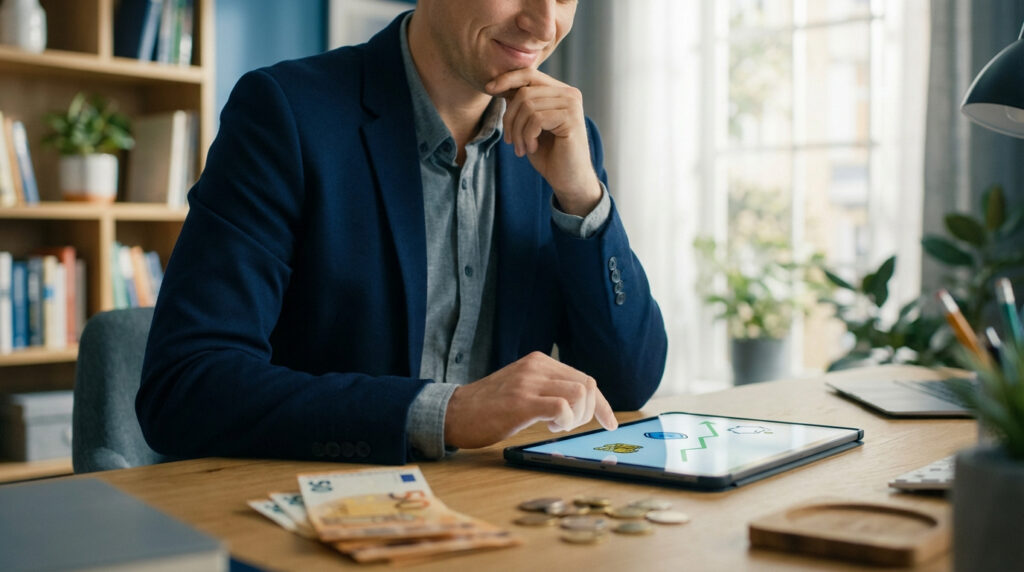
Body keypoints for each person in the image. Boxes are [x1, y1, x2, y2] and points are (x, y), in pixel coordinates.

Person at [136, 0, 668, 465]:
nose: (543, 23)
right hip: (316, 518)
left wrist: (582, 196)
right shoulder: (284, 113)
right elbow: (185, 386)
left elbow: (625, 385)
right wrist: (447, 413)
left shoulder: (564, 142)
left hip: (499, 514)